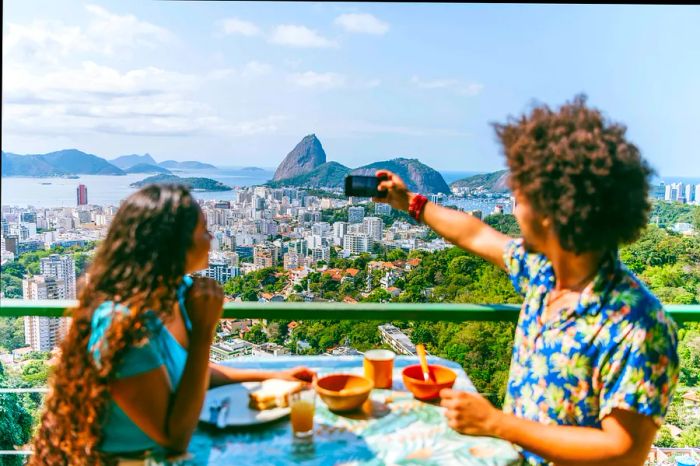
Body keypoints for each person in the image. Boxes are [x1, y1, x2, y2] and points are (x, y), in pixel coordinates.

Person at [374, 95, 679, 466]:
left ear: (554, 210)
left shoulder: (638, 325)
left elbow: (624, 451)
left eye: (523, 189)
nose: (514, 197)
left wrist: (497, 423)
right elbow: (475, 235)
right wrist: (410, 202)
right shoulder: (544, 272)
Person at [30, 184, 314, 464]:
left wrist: (276, 377)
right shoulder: (122, 325)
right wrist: (204, 331)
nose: (211, 236)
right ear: (174, 244)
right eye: (203, 230)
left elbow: (187, 370)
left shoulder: (178, 292)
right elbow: (174, 438)